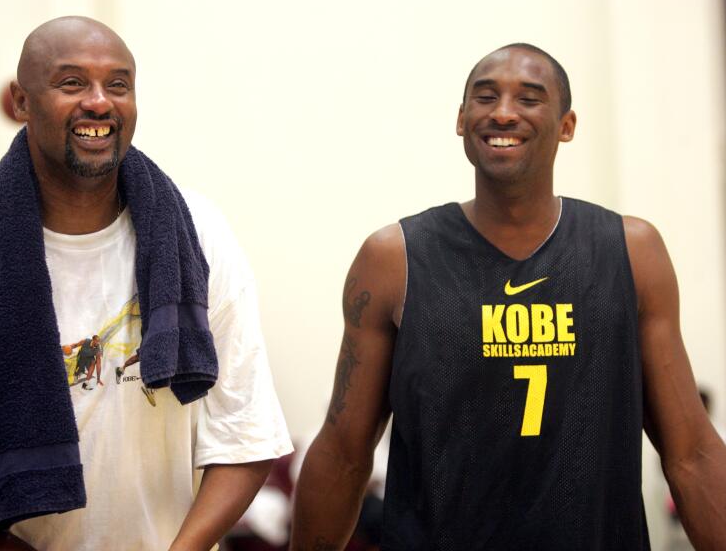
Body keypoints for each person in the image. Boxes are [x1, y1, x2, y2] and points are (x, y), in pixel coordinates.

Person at [290, 43, 726, 550]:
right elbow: (344, 453)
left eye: (530, 98)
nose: (502, 112)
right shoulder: (394, 259)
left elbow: (690, 452)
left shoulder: (632, 252)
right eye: (486, 97)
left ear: (567, 125)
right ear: (460, 120)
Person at [0, 16, 291, 550]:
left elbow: (246, 436)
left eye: (118, 84)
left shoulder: (198, 237)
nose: (99, 102)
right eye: (72, 82)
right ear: (21, 102)